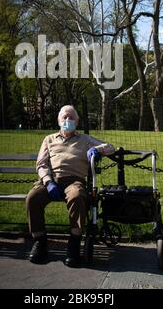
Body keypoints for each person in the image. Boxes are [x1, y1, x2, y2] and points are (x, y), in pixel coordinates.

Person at [26, 105, 115, 267]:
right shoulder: (49, 139)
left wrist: (96, 149)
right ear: (58, 120)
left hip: (74, 180)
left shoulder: (85, 139)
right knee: (33, 198)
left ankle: (74, 244)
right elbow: (41, 164)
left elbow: (110, 148)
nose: (67, 120)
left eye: (71, 117)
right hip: (51, 181)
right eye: (64, 117)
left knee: (77, 196)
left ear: (77, 121)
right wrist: (48, 181)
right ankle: (40, 242)